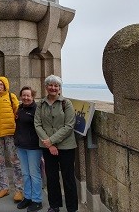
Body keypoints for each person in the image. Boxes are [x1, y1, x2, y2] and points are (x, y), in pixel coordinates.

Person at [34, 75, 78, 212]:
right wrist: (49, 145)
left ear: (59, 88)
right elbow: (37, 124)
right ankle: (54, 205)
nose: (53, 88)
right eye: (51, 85)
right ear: (46, 87)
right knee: (52, 177)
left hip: (66, 146)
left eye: (56, 86)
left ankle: (72, 208)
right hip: (47, 147)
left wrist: (51, 141)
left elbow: (69, 125)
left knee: (68, 178)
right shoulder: (41, 104)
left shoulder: (66, 103)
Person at [0, 76, 23, 202]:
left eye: (1, 84)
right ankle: (4, 187)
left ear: (5, 85)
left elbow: (17, 113)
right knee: (0, 162)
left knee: (15, 161)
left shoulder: (11, 97)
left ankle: (19, 190)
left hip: (10, 134)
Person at [14, 86, 43, 212]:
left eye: (28, 96)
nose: (26, 98)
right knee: (25, 174)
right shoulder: (20, 108)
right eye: (23, 95)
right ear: (21, 96)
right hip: (21, 146)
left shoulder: (37, 110)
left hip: (33, 147)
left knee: (34, 174)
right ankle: (28, 197)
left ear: (33, 97)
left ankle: (37, 200)